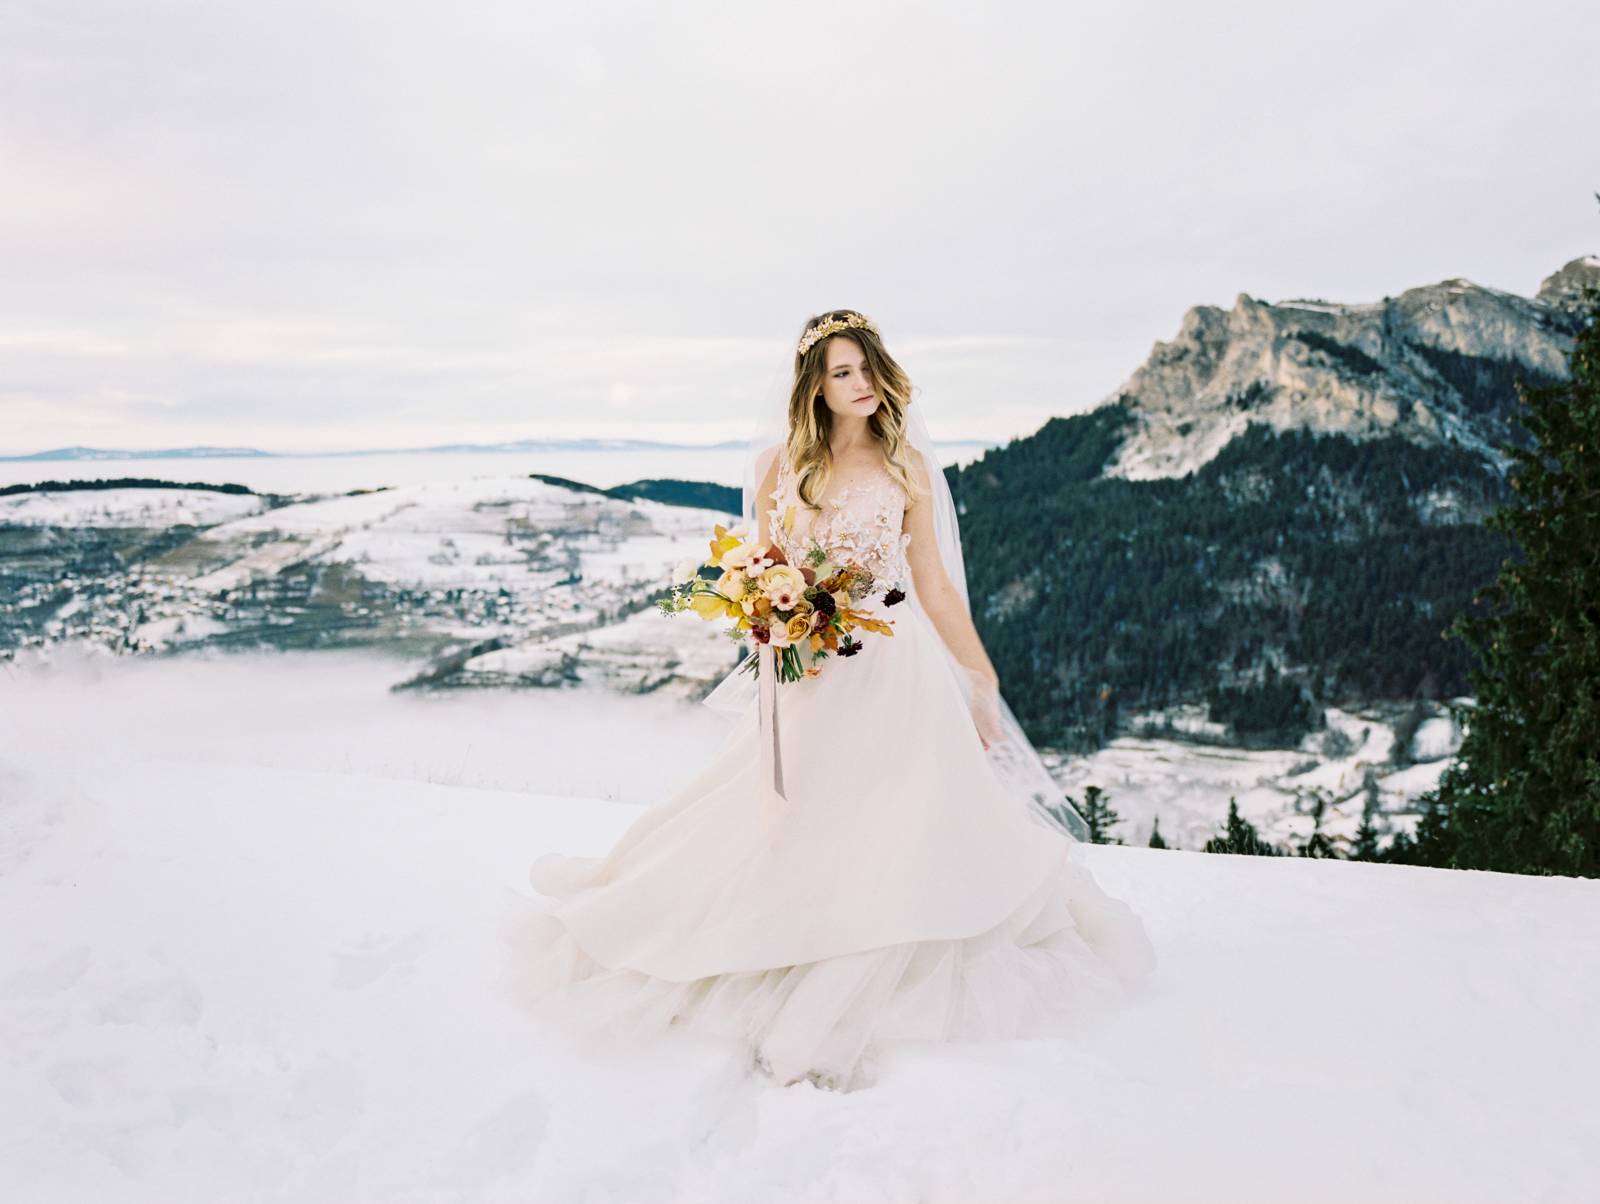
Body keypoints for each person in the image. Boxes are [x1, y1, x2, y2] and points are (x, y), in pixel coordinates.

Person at [495, 309, 1156, 1093]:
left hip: (897, 666)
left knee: (899, 818)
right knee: (799, 815)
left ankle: (876, 939)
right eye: (841, 372)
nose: (861, 383)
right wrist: (771, 624)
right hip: (811, 669)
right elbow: (761, 567)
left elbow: (936, 587)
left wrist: (983, 679)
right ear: (816, 385)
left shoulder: (908, 466)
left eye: (868, 366)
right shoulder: (784, 465)